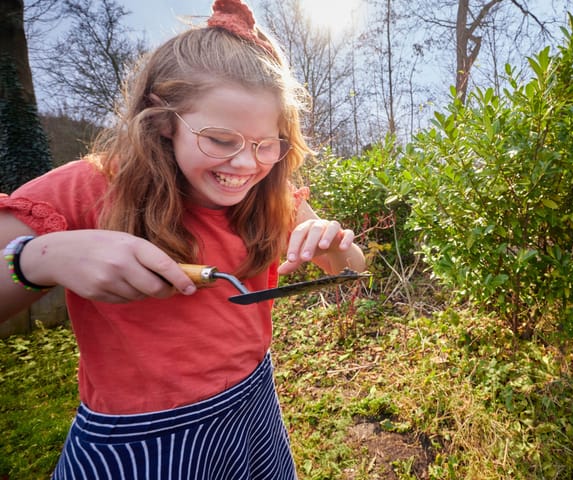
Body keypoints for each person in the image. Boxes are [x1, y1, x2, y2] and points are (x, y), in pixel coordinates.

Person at [0, 0, 365, 478]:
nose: (245, 165)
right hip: (136, 439)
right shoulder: (88, 188)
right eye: (220, 139)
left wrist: (336, 248)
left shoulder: (274, 197)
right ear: (163, 121)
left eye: (266, 144)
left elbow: (352, 269)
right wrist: (38, 259)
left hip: (254, 407)